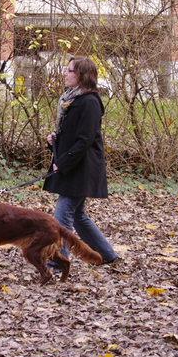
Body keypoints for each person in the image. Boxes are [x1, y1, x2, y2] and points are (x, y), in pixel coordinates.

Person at [43, 56, 119, 269]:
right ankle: (107, 254)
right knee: (78, 215)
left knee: (62, 216)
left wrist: (63, 162)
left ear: (82, 76)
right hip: (74, 166)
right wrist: (54, 142)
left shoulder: (90, 102)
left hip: (82, 169)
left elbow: (85, 140)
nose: (65, 74)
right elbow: (72, 136)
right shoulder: (72, 99)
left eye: (70, 71)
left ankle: (59, 261)